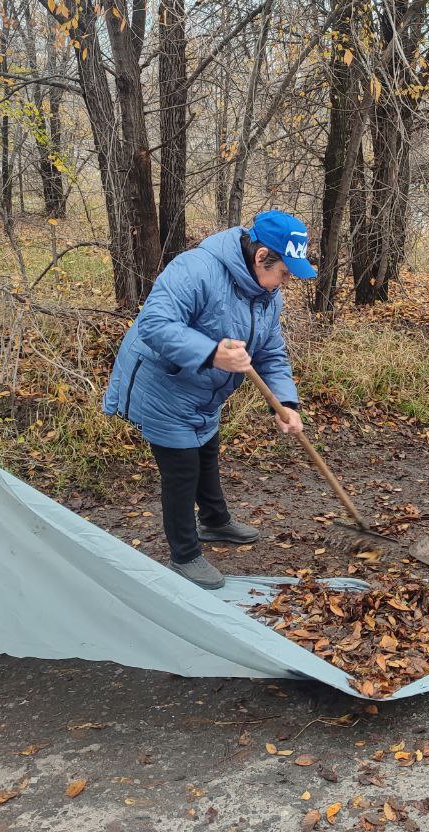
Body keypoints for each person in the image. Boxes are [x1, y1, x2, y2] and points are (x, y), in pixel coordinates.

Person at [103, 210, 313, 590]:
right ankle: (184, 555)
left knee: (206, 449)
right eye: (284, 271)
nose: (286, 281)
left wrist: (286, 403)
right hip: (163, 383)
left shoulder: (267, 296)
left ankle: (215, 521)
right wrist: (212, 353)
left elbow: (271, 354)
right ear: (262, 255)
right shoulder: (197, 269)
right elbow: (155, 324)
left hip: (203, 390)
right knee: (182, 467)